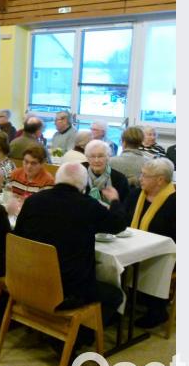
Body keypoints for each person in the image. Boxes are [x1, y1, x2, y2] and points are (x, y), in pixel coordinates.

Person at [14, 162, 126, 335]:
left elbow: (18, 235)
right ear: (83, 185)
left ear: (57, 179)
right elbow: (118, 224)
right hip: (69, 289)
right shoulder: (87, 205)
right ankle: (77, 337)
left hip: (30, 277)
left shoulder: (34, 201)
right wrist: (115, 201)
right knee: (115, 295)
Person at [124, 158, 176, 328]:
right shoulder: (136, 194)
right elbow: (123, 218)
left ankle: (157, 311)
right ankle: (126, 302)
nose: (140, 178)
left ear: (160, 180)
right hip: (134, 246)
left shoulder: (175, 202)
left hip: (166, 252)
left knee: (157, 263)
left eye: (145, 176)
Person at [83, 139, 129, 206]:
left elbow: (125, 206)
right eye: (92, 156)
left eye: (100, 156)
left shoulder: (120, 179)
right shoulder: (81, 175)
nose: (96, 160)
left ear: (108, 157)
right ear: (87, 158)